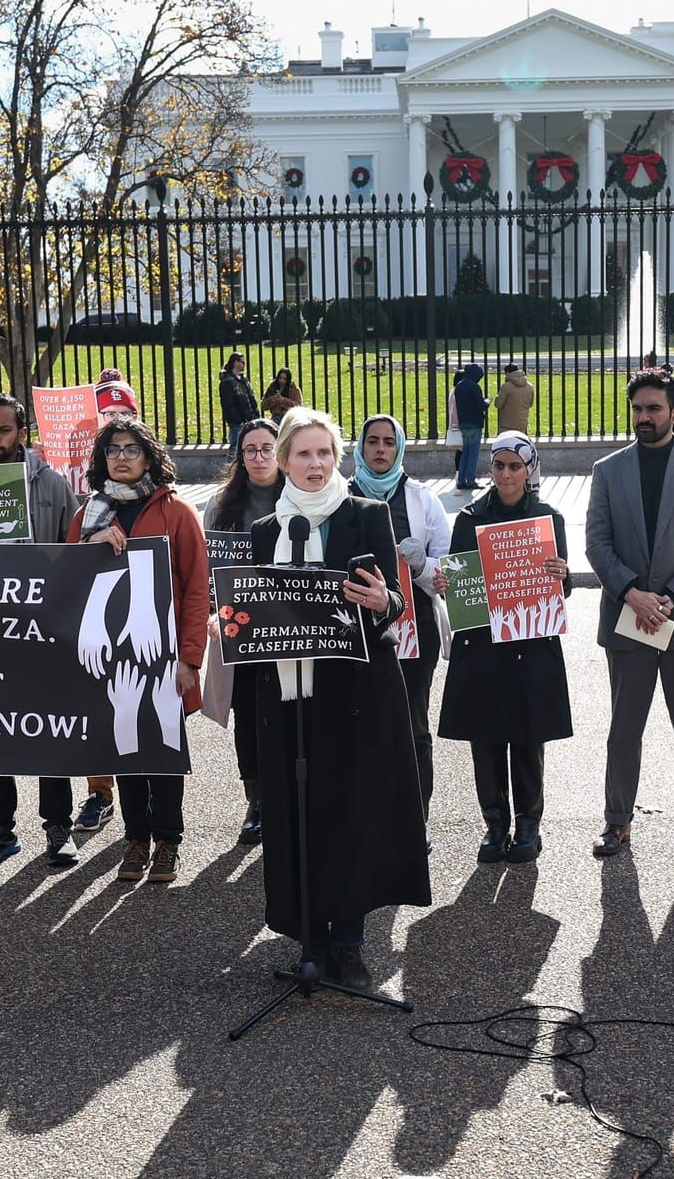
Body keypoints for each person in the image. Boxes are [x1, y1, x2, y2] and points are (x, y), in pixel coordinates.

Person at [248, 407, 430, 989]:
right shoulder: (263, 534)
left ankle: (349, 944)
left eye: (325, 453)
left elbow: (396, 604)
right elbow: (248, 618)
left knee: (351, 811)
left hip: (355, 694)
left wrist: (384, 603)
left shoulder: (367, 516)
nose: (316, 464)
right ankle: (311, 940)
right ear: (282, 461)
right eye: (303, 453)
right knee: (300, 811)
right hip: (289, 699)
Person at [585, 370, 674, 860]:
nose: (644, 418)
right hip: (628, 618)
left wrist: (668, 597)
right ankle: (616, 822)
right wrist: (632, 592)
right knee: (625, 727)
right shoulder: (608, 469)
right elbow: (597, 543)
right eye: (638, 409)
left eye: (653, 408)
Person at [66, 415, 209, 884]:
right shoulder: (86, 514)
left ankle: (168, 840)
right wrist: (90, 541)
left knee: (163, 750)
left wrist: (190, 657)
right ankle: (135, 838)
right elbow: (66, 576)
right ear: (101, 459)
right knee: (124, 744)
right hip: (112, 654)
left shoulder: (177, 512)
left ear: (149, 457)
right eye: (113, 450)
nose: (122, 457)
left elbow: (194, 589)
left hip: (163, 654)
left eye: (131, 449)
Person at [436, 431, 571, 864]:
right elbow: (458, 587)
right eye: (499, 466)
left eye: (515, 466)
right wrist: (446, 583)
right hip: (482, 648)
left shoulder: (549, 518)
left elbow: (560, 592)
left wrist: (560, 574)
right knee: (486, 738)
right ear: (490, 469)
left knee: (528, 737)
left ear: (528, 470)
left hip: (530, 645)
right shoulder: (469, 518)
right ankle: (494, 824)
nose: (507, 474)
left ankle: (529, 827)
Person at [0, 393, 80, 869]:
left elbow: (75, 548)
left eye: (3, 431)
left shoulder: (48, 483)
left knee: (48, 731)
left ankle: (58, 827)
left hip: (40, 629)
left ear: (21, 433)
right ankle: (0, 828)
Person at [349, 415, 452, 824]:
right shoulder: (342, 495)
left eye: (388, 442)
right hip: (357, 629)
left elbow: (444, 574)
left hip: (415, 626)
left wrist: (421, 563)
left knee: (412, 723)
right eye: (372, 441)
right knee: (361, 723)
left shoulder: (423, 498)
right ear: (360, 447)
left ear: (399, 448)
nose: (379, 449)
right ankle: (368, 818)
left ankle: (415, 816)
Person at [196, 418, 284, 844]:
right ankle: (256, 801)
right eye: (250, 450)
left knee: (288, 712)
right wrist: (213, 612)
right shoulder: (221, 504)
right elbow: (208, 569)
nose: (259, 457)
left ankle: (289, 798)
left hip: (289, 624)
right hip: (240, 627)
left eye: (267, 448)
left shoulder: (299, 495)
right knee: (248, 715)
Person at [453, 362, 488, 489]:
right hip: (475, 423)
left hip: (464, 423)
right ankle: (470, 480)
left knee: (465, 453)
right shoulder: (474, 387)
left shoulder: (459, 386)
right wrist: (487, 402)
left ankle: (461, 480)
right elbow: (480, 406)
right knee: (473, 453)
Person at [218, 353, 259, 458]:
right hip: (237, 422)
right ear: (236, 362)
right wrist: (237, 419)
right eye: (242, 362)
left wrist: (254, 414)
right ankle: (229, 472)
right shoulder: (227, 382)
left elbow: (251, 398)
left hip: (249, 419)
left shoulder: (243, 380)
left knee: (248, 447)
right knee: (235, 448)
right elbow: (228, 404)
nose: (244, 365)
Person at [493, 364, 535, 434]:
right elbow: (530, 404)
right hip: (522, 423)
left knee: (506, 444)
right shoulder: (530, 387)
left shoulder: (506, 386)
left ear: (507, 373)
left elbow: (498, 404)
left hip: (507, 424)